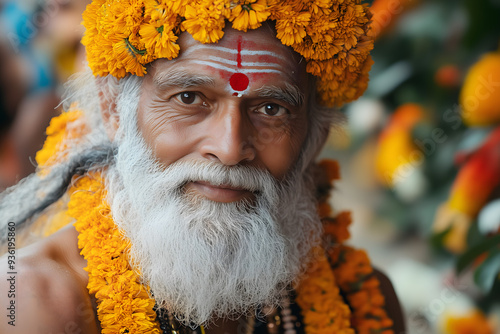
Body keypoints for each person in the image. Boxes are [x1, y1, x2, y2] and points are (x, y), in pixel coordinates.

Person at [0, 1, 404, 333]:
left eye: (271, 109)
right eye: (190, 98)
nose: (229, 149)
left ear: (314, 140)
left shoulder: (365, 307)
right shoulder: (36, 303)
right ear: (113, 109)